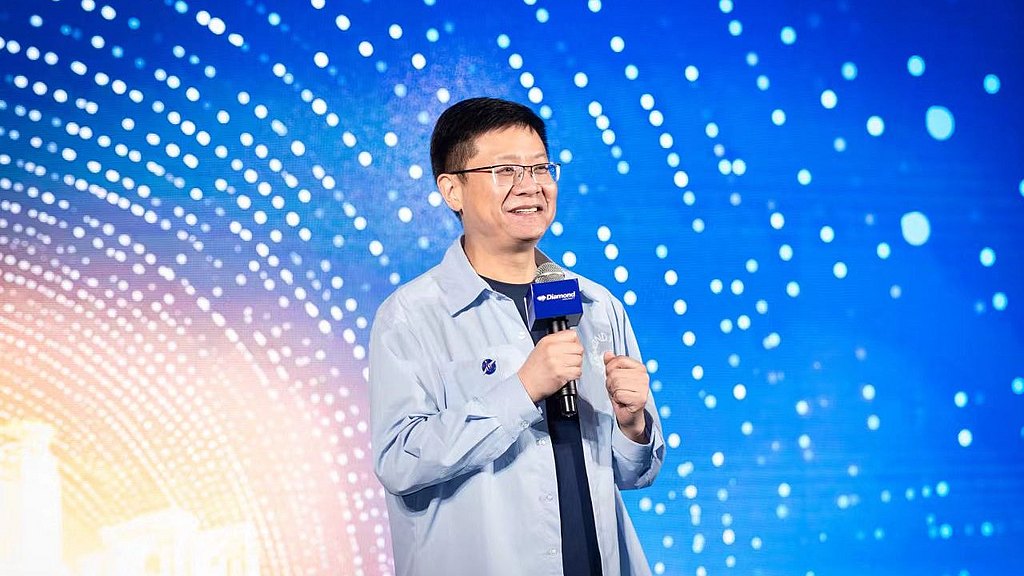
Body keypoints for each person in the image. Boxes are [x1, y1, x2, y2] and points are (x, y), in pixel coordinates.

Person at [369, 97, 664, 575]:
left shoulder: (596, 306)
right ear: (452, 190)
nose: (530, 187)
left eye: (540, 168)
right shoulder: (412, 316)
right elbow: (400, 461)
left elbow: (634, 473)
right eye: (505, 171)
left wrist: (633, 425)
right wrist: (522, 390)